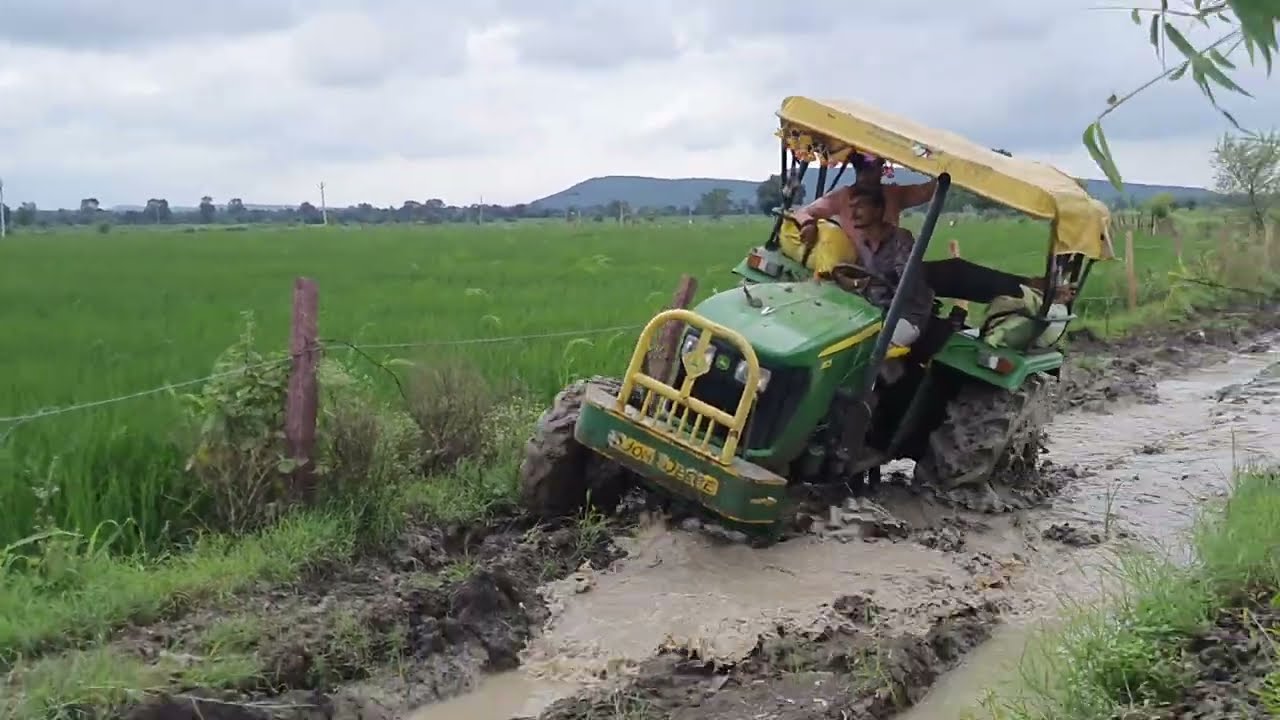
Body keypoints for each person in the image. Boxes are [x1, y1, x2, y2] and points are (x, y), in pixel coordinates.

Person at [818, 186, 934, 349]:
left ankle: (886, 372)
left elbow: (907, 285)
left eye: (860, 207)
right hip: (873, 307)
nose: (853, 214)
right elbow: (861, 276)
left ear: (878, 210)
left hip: (906, 314)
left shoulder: (900, 239)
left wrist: (862, 284)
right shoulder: (862, 243)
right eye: (851, 208)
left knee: (872, 348)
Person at [791, 154, 936, 248]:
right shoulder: (842, 196)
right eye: (860, 167)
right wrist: (808, 224)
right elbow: (804, 212)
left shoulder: (893, 194)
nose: (865, 173)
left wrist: (944, 170)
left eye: (872, 167)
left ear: (881, 169)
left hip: (889, 263)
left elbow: (927, 192)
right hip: (852, 266)